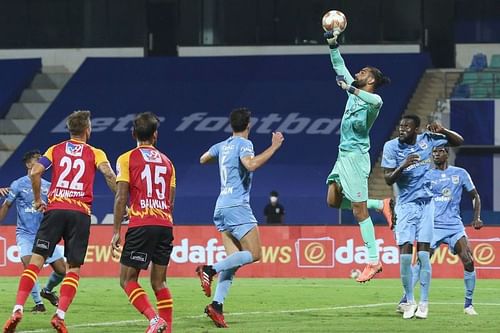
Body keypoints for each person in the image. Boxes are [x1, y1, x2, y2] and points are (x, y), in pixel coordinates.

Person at [3, 110, 117, 333]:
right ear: (87, 130)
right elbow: (109, 175)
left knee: (35, 262)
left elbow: (35, 172)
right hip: (80, 213)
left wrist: (37, 200)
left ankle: (17, 309)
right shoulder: (96, 152)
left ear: (69, 130)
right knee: (73, 269)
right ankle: (60, 316)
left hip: (55, 210)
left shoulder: (55, 149)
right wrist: (122, 200)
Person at [196, 107, 284, 328]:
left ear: (230, 125)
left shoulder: (222, 145)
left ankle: (216, 305)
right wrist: (274, 146)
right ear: (249, 125)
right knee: (255, 253)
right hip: (237, 206)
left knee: (232, 263)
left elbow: (203, 159)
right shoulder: (245, 144)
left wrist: (221, 159)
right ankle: (209, 269)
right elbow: (251, 164)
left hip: (221, 207)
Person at [323, 29, 395, 283]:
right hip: (342, 155)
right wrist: (333, 45)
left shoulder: (372, 100)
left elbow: (377, 103)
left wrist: (351, 90)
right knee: (332, 200)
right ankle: (380, 204)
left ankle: (373, 261)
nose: (357, 74)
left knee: (357, 211)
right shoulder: (353, 89)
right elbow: (339, 66)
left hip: (356, 158)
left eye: (363, 72)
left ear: (371, 80)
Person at [382, 115, 464, 319]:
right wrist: (404, 165)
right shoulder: (391, 147)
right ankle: (409, 301)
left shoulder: (428, 140)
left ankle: (424, 303)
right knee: (406, 256)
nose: (402, 130)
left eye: (407, 127)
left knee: (425, 256)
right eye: (400, 126)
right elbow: (387, 179)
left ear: (416, 129)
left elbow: (458, 142)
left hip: (427, 206)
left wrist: (443, 130)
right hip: (406, 206)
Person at [397, 145, 482, 316]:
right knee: (420, 264)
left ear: (447, 153)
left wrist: (477, 217)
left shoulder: (460, 173)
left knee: (468, 260)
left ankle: (468, 304)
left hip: (454, 226)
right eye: (434, 152)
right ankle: (405, 300)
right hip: (431, 226)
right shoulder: (426, 175)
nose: (436, 154)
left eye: (440, 151)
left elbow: (475, 196)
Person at [111, 112, 174, 333]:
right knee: (159, 282)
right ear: (155, 135)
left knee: (127, 279)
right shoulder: (168, 163)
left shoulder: (126, 158)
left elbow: (121, 197)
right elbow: (170, 201)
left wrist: (117, 230)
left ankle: (154, 319)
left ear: (133, 133)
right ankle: (166, 330)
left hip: (141, 223)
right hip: (165, 224)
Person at [0, 150, 66, 313]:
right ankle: (39, 304)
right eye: (37, 160)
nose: (41, 162)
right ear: (29, 164)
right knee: (30, 267)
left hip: (45, 234)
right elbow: (7, 205)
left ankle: (47, 291)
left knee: (62, 271)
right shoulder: (18, 184)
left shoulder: (48, 186)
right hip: (26, 234)